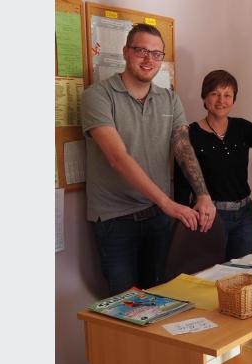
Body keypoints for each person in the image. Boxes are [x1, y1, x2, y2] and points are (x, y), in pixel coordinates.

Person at [82, 23, 216, 296]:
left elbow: (183, 148)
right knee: (126, 306)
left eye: (156, 54)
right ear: (126, 52)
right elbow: (117, 157)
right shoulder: (97, 96)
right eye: (141, 50)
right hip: (115, 220)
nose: (148, 59)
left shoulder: (169, 99)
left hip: (158, 218)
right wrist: (168, 203)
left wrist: (203, 194)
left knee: (163, 298)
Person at [173, 69, 252, 260]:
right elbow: (181, 180)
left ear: (234, 99)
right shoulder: (190, 133)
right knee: (210, 271)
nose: (221, 100)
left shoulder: (242, 127)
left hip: (244, 215)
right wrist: (182, 218)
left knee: (240, 272)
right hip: (210, 216)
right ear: (204, 97)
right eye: (214, 94)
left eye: (227, 95)